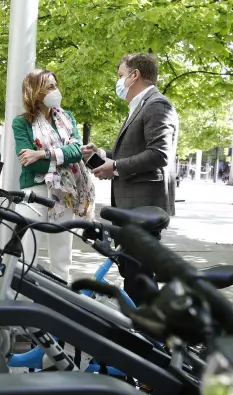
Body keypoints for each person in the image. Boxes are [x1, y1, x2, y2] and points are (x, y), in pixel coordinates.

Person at [82, 53, 178, 306]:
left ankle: (147, 328)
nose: (119, 81)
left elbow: (159, 154)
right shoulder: (141, 106)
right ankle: (143, 324)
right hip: (133, 207)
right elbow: (134, 152)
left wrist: (115, 167)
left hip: (143, 207)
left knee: (138, 279)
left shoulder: (157, 105)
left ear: (135, 75)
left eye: (121, 75)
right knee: (133, 276)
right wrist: (103, 155)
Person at [12, 69, 95, 284]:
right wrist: (61, 157)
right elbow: (30, 163)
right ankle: (21, 296)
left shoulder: (67, 118)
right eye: (49, 87)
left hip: (64, 190)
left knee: (62, 254)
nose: (55, 90)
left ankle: (59, 297)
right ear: (35, 92)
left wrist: (44, 153)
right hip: (35, 191)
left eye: (55, 85)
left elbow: (77, 152)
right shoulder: (21, 123)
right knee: (26, 250)